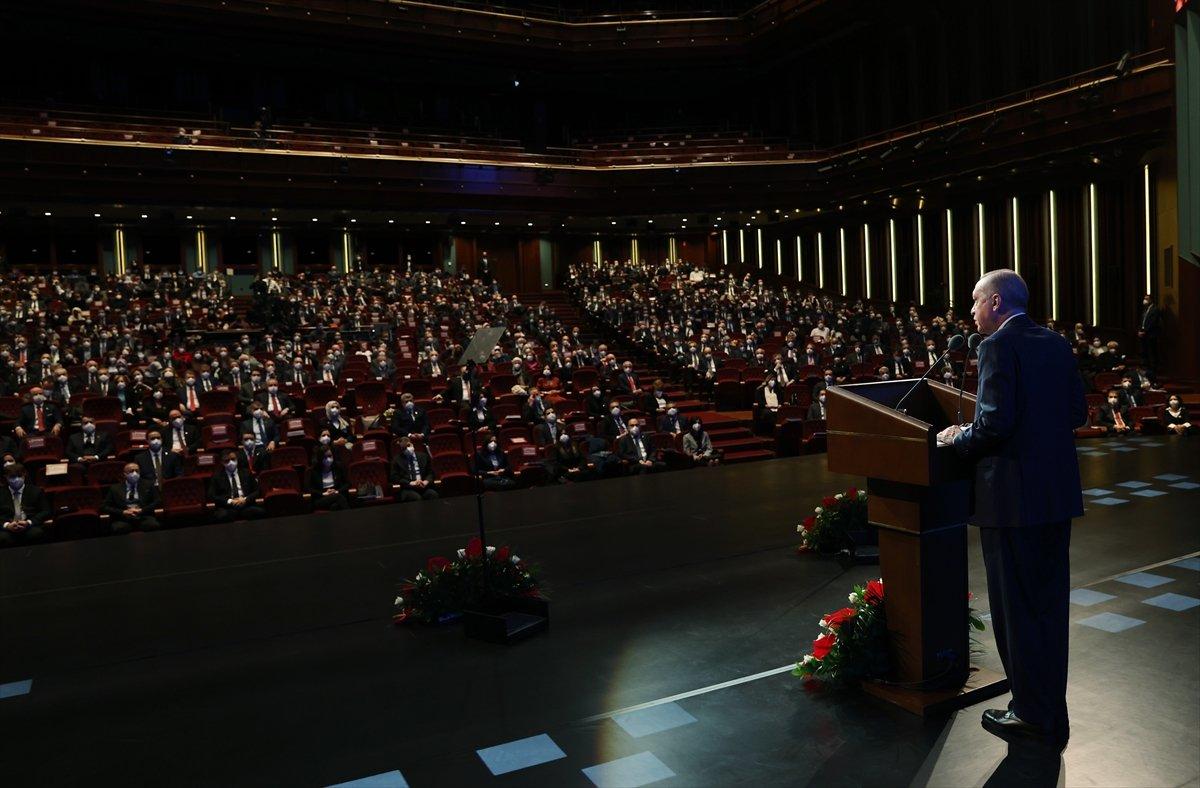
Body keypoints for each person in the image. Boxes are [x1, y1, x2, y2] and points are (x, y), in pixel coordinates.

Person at [937, 269, 1085, 751]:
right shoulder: (1056, 342)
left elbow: (995, 424)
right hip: (1054, 498)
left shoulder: (996, 346)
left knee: (1016, 612)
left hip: (1012, 503)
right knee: (1047, 609)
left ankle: (1029, 714)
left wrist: (960, 440)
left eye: (976, 302)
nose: (972, 312)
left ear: (996, 302)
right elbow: (1078, 413)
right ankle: (1050, 712)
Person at [0, 463, 51, 548]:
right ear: (6, 477)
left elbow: (46, 511)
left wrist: (29, 522)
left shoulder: (36, 491)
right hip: (7, 528)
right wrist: (7, 525)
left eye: (19, 476)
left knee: (37, 534)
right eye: (12, 477)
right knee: (3, 538)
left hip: (29, 526)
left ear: (24, 475)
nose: (16, 479)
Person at [102, 463, 162, 533]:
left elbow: (157, 501)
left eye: (137, 471)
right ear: (125, 474)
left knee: (153, 525)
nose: (134, 473)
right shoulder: (115, 488)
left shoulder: (148, 485)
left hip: (143, 516)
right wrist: (123, 512)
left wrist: (142, 510)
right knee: (119, 528)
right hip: (123, 518)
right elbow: (104, 507)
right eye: (131, 471)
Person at [208, 450, 266, 522]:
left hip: (246, 505)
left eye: (233, 459)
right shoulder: (217, 476)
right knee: (221, 516)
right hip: (228, 508)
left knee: (260, 512)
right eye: (227, 460)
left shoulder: (246, 473)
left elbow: (257, 491)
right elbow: (212, 495)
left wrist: (245, 499)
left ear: (237, 459)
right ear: (222, 462)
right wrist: (230, 501)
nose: (231, 463)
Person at [390, 437, 439, 501]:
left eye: (408, 446)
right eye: (404, 448)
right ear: (401, 449)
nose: (407, 449)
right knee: (416, 497)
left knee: (433, 494)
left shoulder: (423, 456)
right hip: (408, 488)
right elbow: (395, 477)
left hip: (423, 486)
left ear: (412, 444)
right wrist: (411, 483)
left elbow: (430, 473)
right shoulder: (396, 460)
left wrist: (426, 481)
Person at [1137, 294, 1162, 373]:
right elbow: (1142, 321)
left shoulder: (1155, 309)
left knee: (1152, 352)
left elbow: (1152, 322)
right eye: (1144, 298)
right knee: (1144, 351)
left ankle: (1153, 369)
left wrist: (1145, 331)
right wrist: (1140, 330)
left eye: (1146, 299)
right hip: (1143, 334)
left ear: (1151, 300)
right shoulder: (1145, 309)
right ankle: (1146, 367)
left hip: (1151, 334)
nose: (1145, 300)